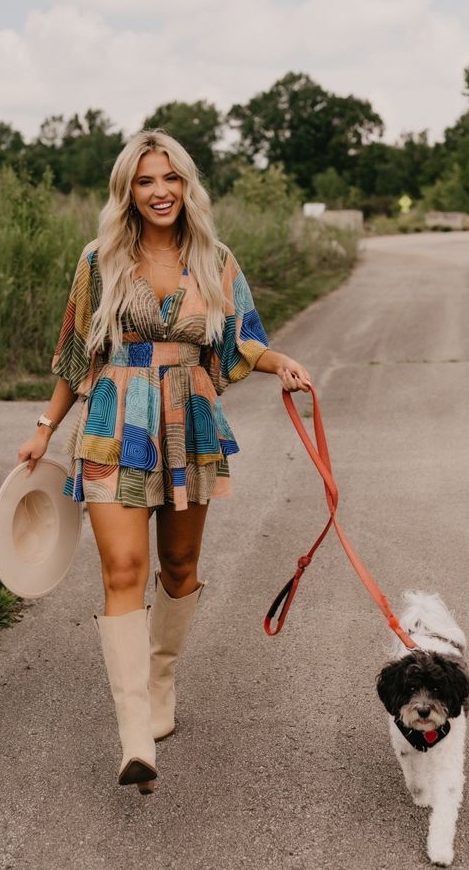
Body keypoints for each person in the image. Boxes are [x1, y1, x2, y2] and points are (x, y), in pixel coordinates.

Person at [17, 129, 312, 795]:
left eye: (170, 179)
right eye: (147, 180)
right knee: (125, 571)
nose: (160, 192)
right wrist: (43, 427)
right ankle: (134, 736)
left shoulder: (214, 258)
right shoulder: (99, 261)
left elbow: (245, 340)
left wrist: (282, 364)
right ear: (128, 190)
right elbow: (75, 356)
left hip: (189, 422)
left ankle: (160, 679)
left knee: (179, 568)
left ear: (186, 187)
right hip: (114, 424)